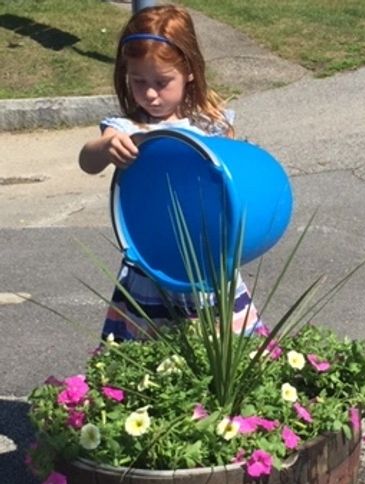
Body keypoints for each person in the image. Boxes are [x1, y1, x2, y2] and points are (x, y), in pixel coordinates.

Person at [79, 4, 263, 342]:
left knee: (223, 353)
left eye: (162, 82)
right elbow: (87, 161)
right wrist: (106, 148)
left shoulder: (211, 125)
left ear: (190, 71)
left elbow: (239, 182)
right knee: (148, 357)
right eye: (138, 81)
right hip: (151, 267)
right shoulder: (127, 128)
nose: (150, 93)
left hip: (209, 264)